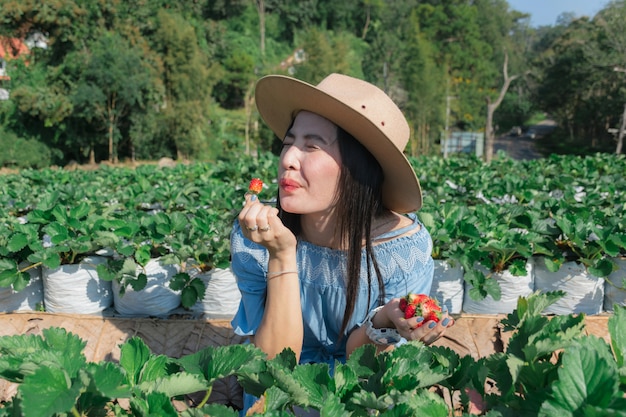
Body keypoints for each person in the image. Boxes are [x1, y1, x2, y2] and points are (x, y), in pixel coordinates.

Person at [230, 73, 454, 414]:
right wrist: (281, 255)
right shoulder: (257, 236)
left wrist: (385, 323)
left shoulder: (402, 250)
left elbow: (365, 368)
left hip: (358, 389)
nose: (288, 158)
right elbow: (271, 368)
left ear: (357, 169)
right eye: (289, 142)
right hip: (279, 393)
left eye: (311, 146)